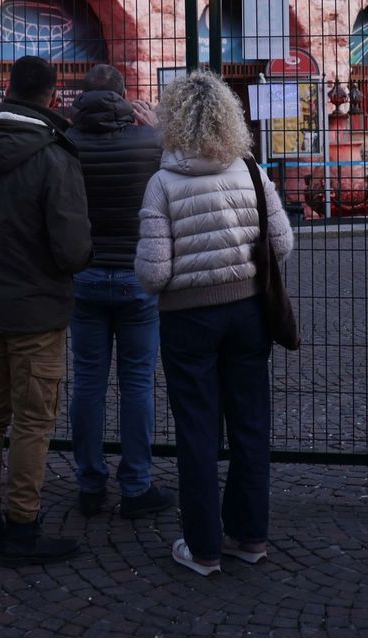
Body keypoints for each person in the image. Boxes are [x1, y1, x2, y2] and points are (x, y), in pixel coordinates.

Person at [136, 70, 294, 577]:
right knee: (251, 425)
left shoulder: (161, 183)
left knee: (197, 430)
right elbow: (283, 243)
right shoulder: (250, 169)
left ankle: (202, 548)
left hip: (188, 321)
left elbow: (154, 272)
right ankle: (250, 536)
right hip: (248, 312)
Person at [0, 54, 92, 566]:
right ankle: (23, 527)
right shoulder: (55, 155)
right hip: (38, 311)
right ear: (53, 97)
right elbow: (72, 248)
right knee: (34, 420)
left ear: (8, 89)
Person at [64, 64, 173, 520]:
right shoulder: (149, 142)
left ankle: (90, 483)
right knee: (137, 384)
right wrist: (159, 128)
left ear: (81, 97)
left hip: (85, 275)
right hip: (135, 277)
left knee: (87, 381)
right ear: (126, 97)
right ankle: (136, 484)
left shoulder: (65, 143)